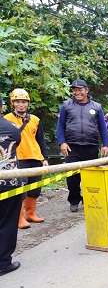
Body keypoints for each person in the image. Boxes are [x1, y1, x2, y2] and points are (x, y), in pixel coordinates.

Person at [56, 79, 108, 212]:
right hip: (71, 146)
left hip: (90, 146)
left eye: (80, 89)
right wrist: (62, 142)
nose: (77, 92)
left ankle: (89, 199)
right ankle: (74, 200)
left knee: (90, 175)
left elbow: (103, 128)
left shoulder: (96, 107)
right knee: (72, 176)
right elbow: (60, 125)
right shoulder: (66, 105)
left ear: (86, 90)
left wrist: (105, 144)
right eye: (75, 90)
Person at [4, 88, 49, 229]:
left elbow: (41, 140)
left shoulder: (35, 120)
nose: (21, 105)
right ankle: (19, 218)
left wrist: (45, 158)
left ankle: (30, 213)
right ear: (12, 103)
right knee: (20, 190)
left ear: (28, 103)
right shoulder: (6, 120)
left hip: (35, 158)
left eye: (24, 102)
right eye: (17, 102)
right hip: (17, 159)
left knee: (35, 189)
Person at [0, 114, 24, 276]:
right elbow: (17, 143)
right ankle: (3, 263)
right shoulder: (12, 128)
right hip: (9, 181)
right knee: (7, 222)